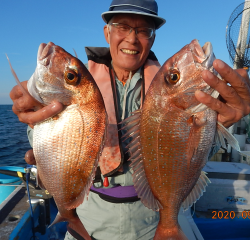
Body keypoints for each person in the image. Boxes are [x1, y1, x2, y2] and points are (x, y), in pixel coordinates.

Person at [9, 0, 250, 239]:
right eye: (122, 26)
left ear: (153, 38)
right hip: (90, 213)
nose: (132, 38)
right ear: (107, 32)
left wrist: (219, 125)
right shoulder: (78, 82)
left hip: (152, 216)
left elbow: (190, 157)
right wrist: (34, 121)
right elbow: (53, 141)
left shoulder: (168, 91)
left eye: (144, 30)